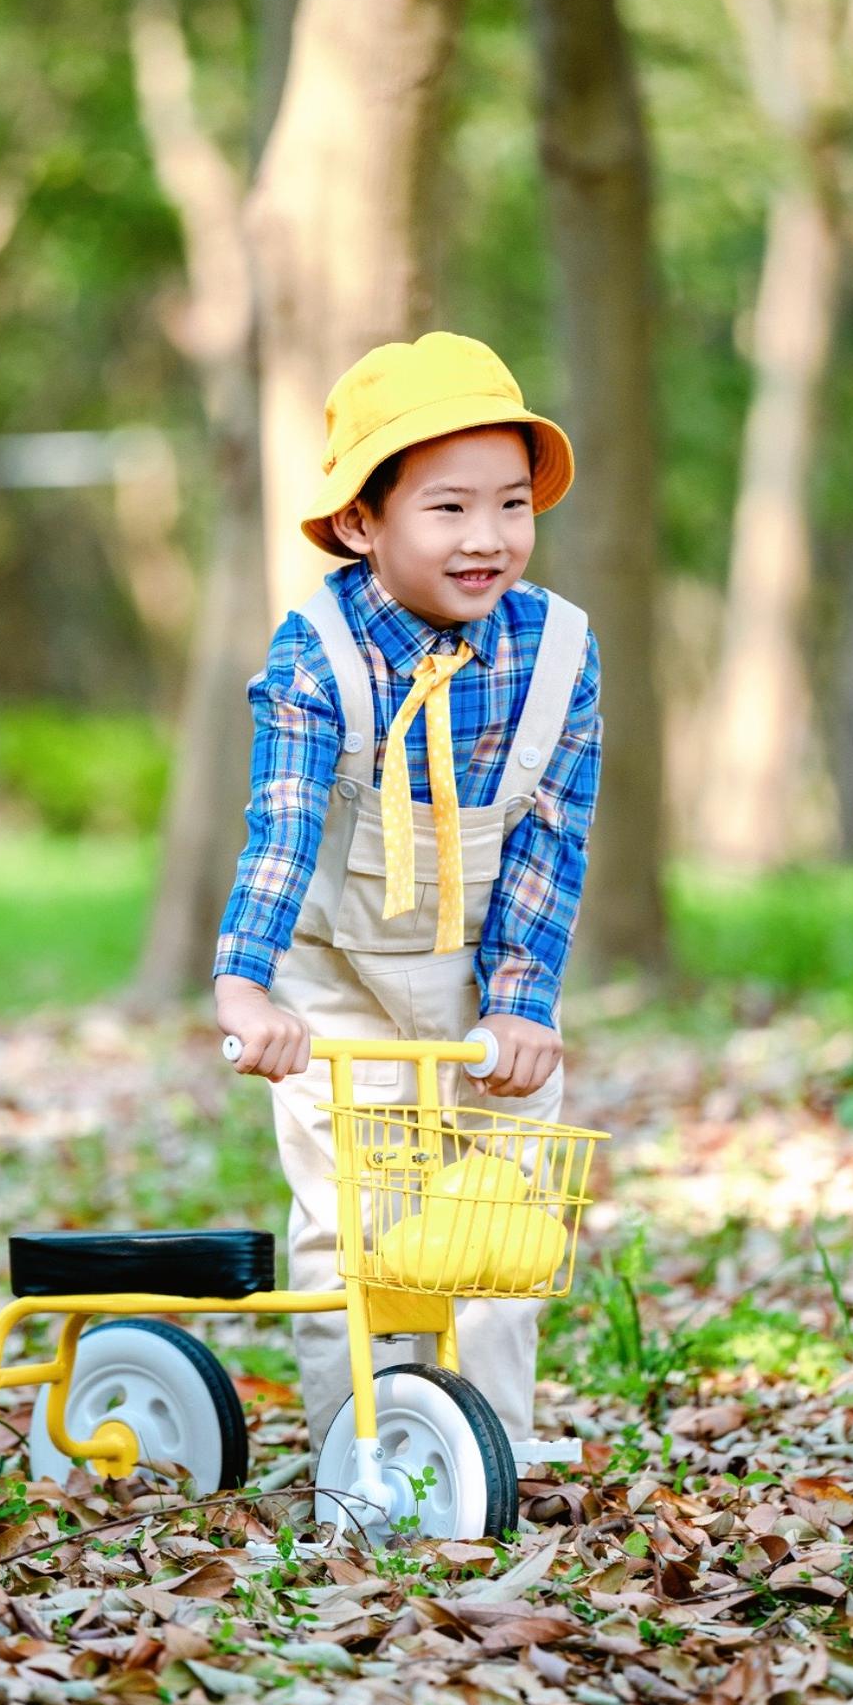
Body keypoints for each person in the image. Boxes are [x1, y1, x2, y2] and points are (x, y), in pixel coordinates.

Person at [214, 331, 602, 1455]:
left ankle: (479, 1448)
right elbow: (281, 827)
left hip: (485, 985)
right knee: (358, 1224)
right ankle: (364, 1452)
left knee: (498, 1222)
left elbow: (548, 838)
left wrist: (522, 1002)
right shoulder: (315, 656)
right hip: (336, 982)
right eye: (446, 508)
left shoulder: (561, 650)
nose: (487, 538)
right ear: (359, 524)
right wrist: (246, 987)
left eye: (511, 504)